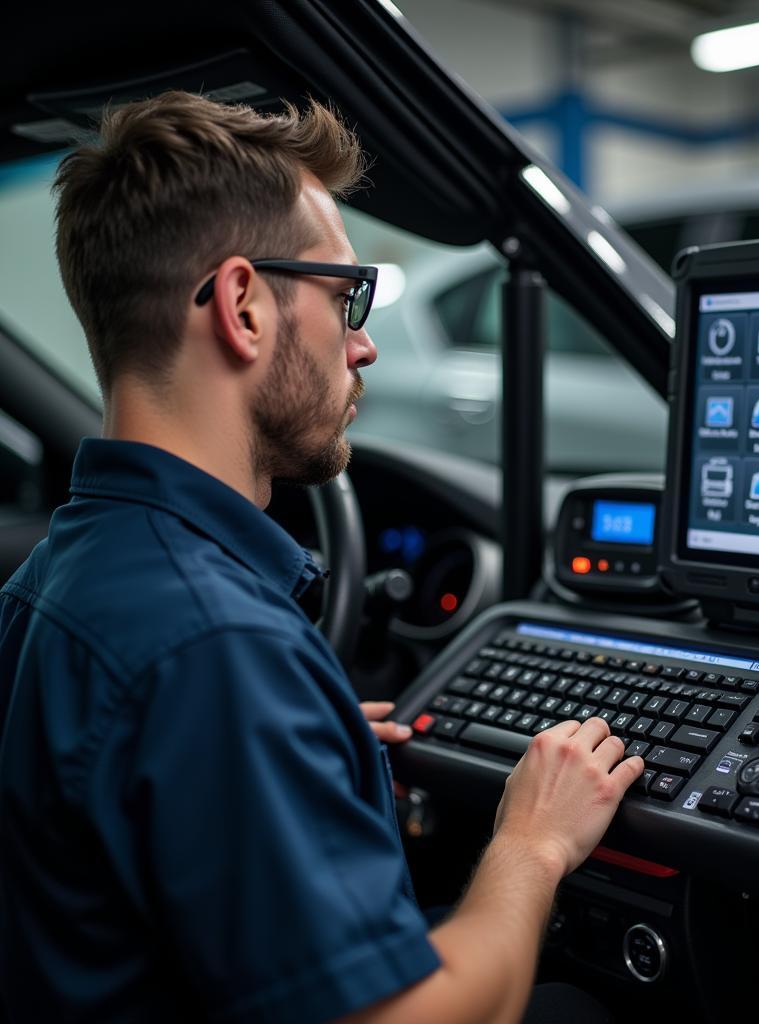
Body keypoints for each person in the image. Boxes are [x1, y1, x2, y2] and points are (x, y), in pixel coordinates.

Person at [0, 91, 645, 1023]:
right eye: (348, 298)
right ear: (243, 307)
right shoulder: (215, 651)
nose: (367, 342)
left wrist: (305, 747)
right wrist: (532, 842)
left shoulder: (55, 580)